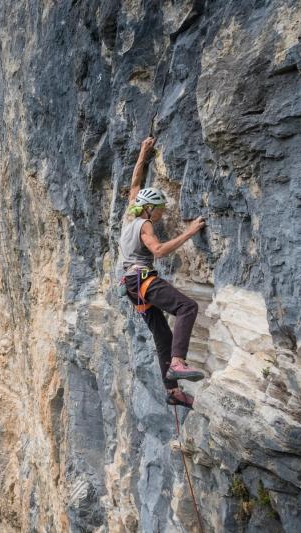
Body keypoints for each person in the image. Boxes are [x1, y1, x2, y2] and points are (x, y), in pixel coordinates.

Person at [118, 136, 207, 409]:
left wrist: (143, 152)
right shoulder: (145, 224)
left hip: (131, 286)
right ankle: (177, 363)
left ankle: (173, 391)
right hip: (142, 279)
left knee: (162, 336)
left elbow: (135, 184)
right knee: (186, 307)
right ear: (149, 209)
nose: (160, 214)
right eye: (158, 210)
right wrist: (189, 232)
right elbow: (157, 251)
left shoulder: (130, 216)